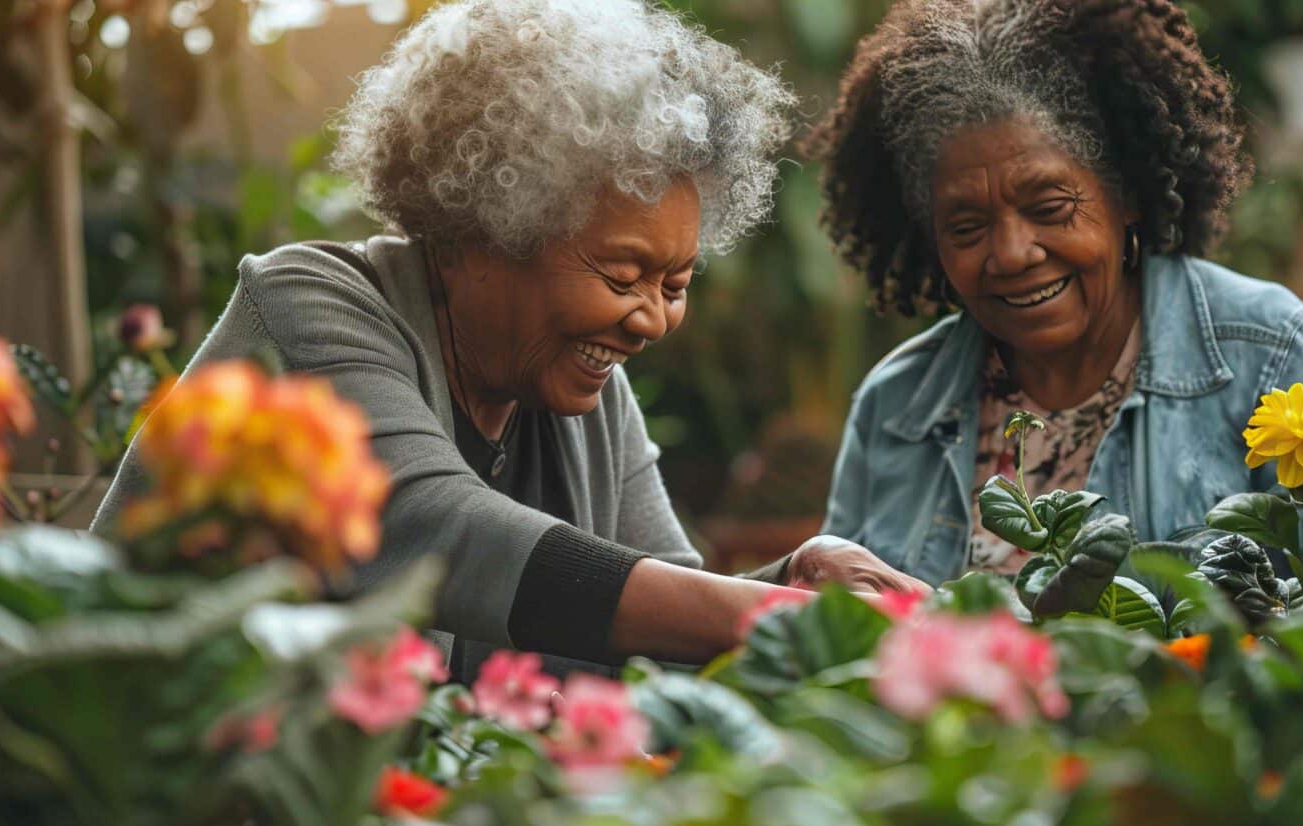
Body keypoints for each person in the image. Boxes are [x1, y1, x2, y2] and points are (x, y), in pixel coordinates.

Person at [92, 0, 927, 679]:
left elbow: (668, 617)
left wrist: (792, 577)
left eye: (675, 286)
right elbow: (436, 530)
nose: (652, 321)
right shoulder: (308, 305)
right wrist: (782, 621)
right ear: (481, 229)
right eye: (622, 274)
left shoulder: (586, 389)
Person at [803, 0, 1303, 584]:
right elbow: (837, 635)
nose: (1011, 252)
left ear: (1127, 193)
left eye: (1050, 207)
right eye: (966, 228)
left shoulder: (1278, 362)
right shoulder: (896, 405)